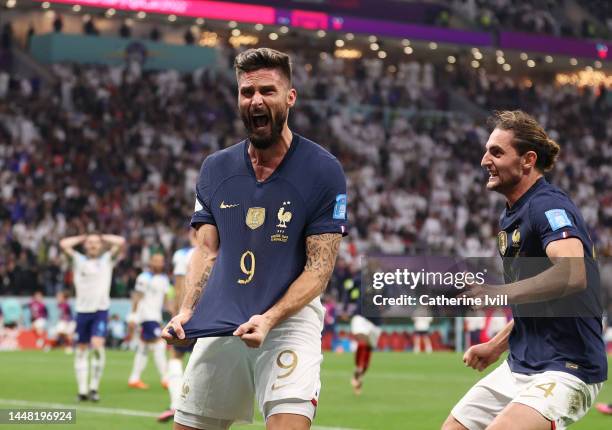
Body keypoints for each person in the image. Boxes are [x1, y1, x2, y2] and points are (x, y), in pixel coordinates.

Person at [162, 47, 347, 430]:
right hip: (223, 317)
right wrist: (186, 311)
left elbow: (319, 269)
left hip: (288, 320)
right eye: (248, 92)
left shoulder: (323, 170)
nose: (256, 100)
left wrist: (269, 318)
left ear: (290, 97)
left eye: (268, 90)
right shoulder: (216, 168)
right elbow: (206, 252)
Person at [442, 110, 607, 430]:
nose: (484, 160)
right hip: (520, 366)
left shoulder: (547, 206)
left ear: (528, 160)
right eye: (487, 150)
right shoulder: (513, 215)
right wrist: (496, 345)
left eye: (496, 152)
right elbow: (537, 302)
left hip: (568, 367)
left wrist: (498, 292)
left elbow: (573, 274)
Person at [60, 233, 125, 402]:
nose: (93, 245)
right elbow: (63, 243)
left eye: (96, 243)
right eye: (90, 243)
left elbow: (120, 241)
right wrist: (82, 237)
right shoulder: (78, 260)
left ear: (101, 245)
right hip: (82, 311)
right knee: (81, 350)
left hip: (100, 311)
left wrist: (102, 237)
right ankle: (82, 391)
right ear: (85, 245)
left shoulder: (107, 259)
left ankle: (94, 388)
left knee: (97, 346)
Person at [158, 230, 197, 423]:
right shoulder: (220, 251)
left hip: (188, 314)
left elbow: (181, 285)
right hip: (211, 314)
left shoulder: (184, 255)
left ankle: (176, 404)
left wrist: (178, 314)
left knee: (176, 356)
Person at [127, 253, 170, 390]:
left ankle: (134, 378)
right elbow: (137, 297)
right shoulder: (144, 277)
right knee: (159, 344)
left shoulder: (164, 279)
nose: (158, 263)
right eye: (155, 260)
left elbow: (164, 300)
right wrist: (133, 316)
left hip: (155, 316)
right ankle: (166, 378)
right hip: (146, 316)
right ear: (150, 262)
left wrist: (172, 313)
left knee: (143, 347)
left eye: (161, 261)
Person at [349, 314, 381, 395]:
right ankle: (358, 368)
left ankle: (358, 376)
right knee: (362, 343)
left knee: (368, 350)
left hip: (375, 324)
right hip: (361, 318)